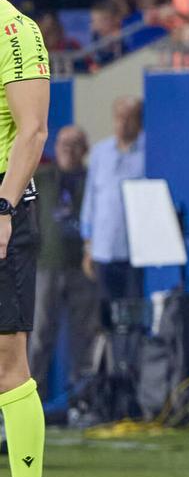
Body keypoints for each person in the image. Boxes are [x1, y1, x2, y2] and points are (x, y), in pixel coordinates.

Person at [0, 0, 52, 477]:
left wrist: (4, 207)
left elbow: (33, 130)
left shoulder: (13, 29)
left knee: (8, 366)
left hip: (2, 208)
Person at [28, 126, 98, 396]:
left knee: (83, 333)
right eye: (64, 144)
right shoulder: (42, 178)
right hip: (48, 264)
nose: (69, 150)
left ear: (85, 149)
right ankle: (33, 394)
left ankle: (79, 396)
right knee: (41, 332)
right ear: (55, 148)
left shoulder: (92, 180)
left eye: (75, 144)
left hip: (82, 266)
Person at [81, 97, 146, 320]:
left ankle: (132, 354)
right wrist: (88, 245)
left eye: (129, 118)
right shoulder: (101, 152)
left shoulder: (149, 151)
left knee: (133, 314)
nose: (123, 124)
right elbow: (91, 199)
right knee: (106, 315)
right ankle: (112, 355)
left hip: (135, 250)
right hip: (104, 248)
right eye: (119, 118)